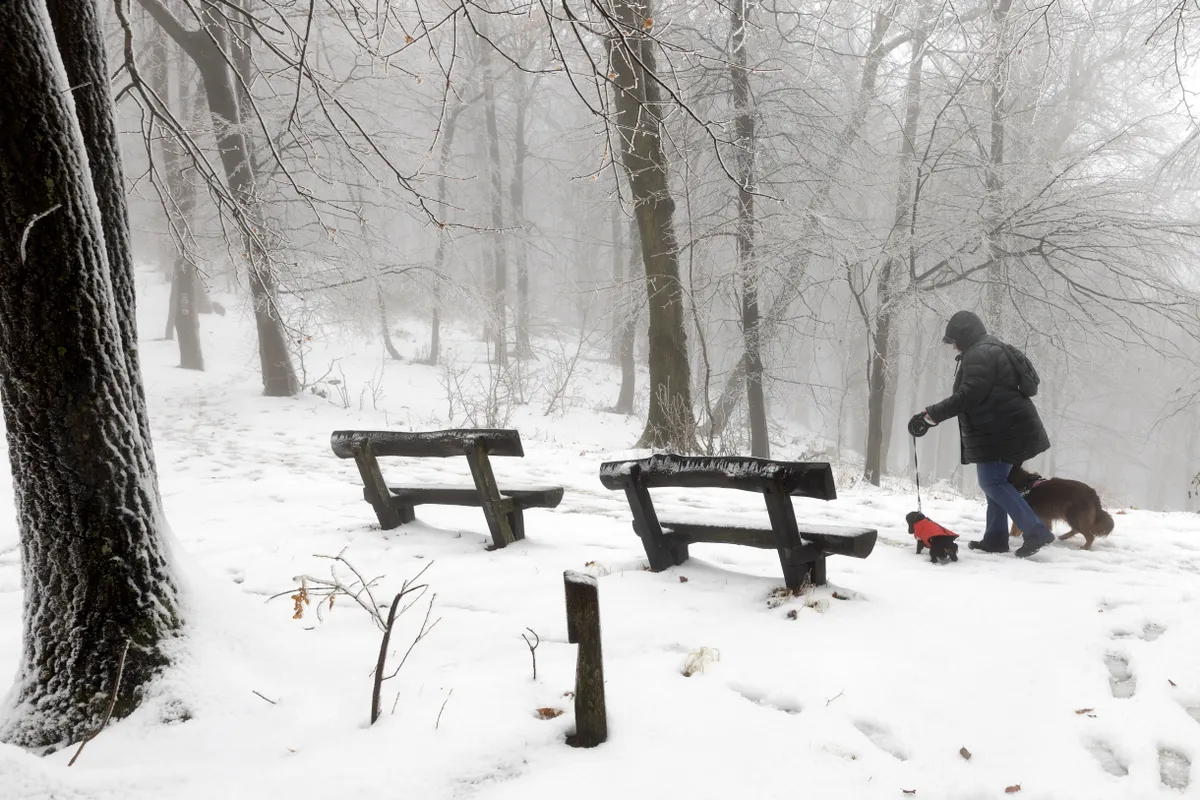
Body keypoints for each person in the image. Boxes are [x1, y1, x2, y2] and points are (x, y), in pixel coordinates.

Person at [911, 310, 1055, 557]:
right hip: (1004, 429)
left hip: (1001, 431)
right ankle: (996, 538)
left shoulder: (980, 354)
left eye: (954, 340)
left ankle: (1036, 531)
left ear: (965, 335)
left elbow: (969, 396)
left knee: (992, 482)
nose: (953, 346)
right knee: (995, 483)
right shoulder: (987, 349)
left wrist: (930, 415)